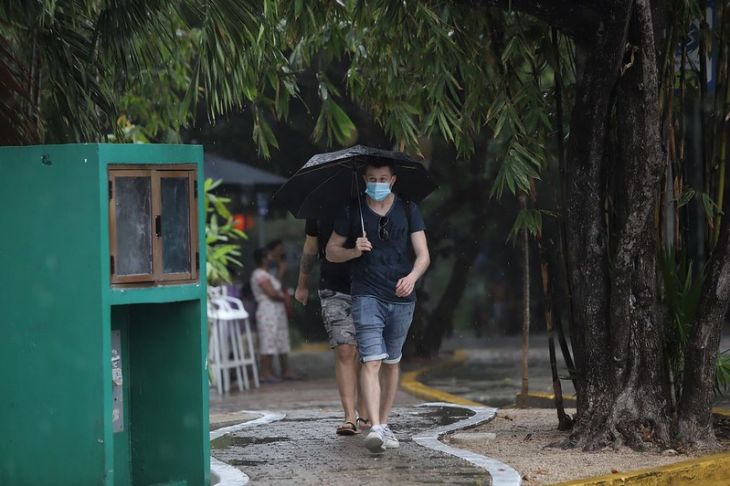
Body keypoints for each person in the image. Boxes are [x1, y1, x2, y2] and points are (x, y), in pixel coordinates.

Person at [326, 160, 430, 453]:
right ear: (364, 179)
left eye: (383, 178)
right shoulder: (352, 209)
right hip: (366, 294)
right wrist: (353, 250)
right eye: (372, 178)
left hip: (401, 296)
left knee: (391, 361)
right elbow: (331, 252)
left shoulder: (409, 208)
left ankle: (383, 421)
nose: (378, 183)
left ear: (393, 179)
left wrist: (412, 277)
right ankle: (375, 427)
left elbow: (423, 255)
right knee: (371, 359)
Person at [295, 212, 369, 436]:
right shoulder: (319, 205)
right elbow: (310, 248)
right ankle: (350, 416)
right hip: (334, 286)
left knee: (368, 353)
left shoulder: (372, 203)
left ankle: (366, 410)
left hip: (371, 286)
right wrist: (302, 284)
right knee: (345, 350)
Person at [250, 247, 294, 383]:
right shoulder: (259, 274)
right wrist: (284, 298)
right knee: (268, 341)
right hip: (267, 311)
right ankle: (265, 373)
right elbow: (271, 293)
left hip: (276, 312)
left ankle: (284, 371)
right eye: (269, 256)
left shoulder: (267, 274)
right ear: (263, 259)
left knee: (279, 339)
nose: (272, 259)